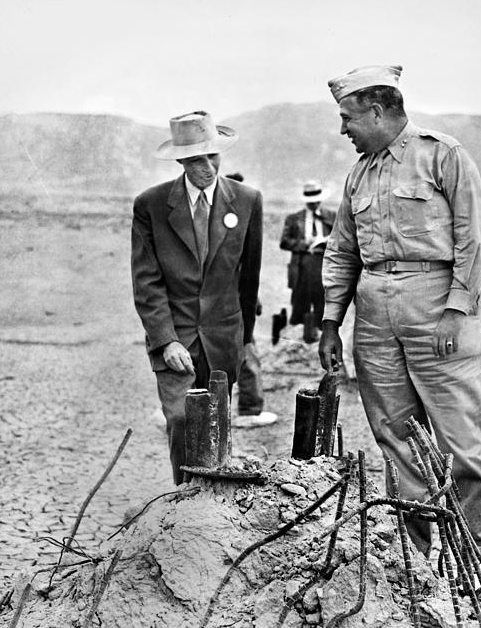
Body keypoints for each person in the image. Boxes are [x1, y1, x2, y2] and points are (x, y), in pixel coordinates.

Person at [319, 65, 481, 582]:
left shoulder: (442, 154)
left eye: (347, 117)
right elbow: (342, 249)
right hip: (375, 313)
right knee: (395, 439)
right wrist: (331, 322)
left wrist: (456, 310)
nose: (343, 130)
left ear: (377, 111)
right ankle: (417, 559)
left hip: (437, 306)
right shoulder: (360, 172)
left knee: (458, 437)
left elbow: (475, 238)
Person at [131, 111, 263, 483]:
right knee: (181, 418)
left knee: (217, 423)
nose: (207, 167)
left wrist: (244, 340)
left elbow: (248, 280)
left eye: (212, 156)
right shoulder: (152, 206)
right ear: (181, 160)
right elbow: (146, 282)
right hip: (176, 338)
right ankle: (184, 500)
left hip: (224, 337)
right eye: (195, 159)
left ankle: (212, 507)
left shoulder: (248, 200)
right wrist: (166, 340)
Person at [224, 171, 277, 428]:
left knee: (243, 354)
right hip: (227, 304)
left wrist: (252, 300)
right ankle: (248, 408)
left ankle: (247, 407)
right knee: (245, 354)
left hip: (236, 302)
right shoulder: (227, 225)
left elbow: (247, 268)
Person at [280, 181, 336, 343]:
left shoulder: (331, 217)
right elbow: (284, 242)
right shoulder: (294, 219)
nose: (314, 204)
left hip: (323, 264)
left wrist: (326, 243)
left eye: (317, 201)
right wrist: (304, 244)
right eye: (311, 202)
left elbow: (341, 239)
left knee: (322, 299)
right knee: (300, 299)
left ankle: (321, 336)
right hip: (302, 264)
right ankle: (300, 336)